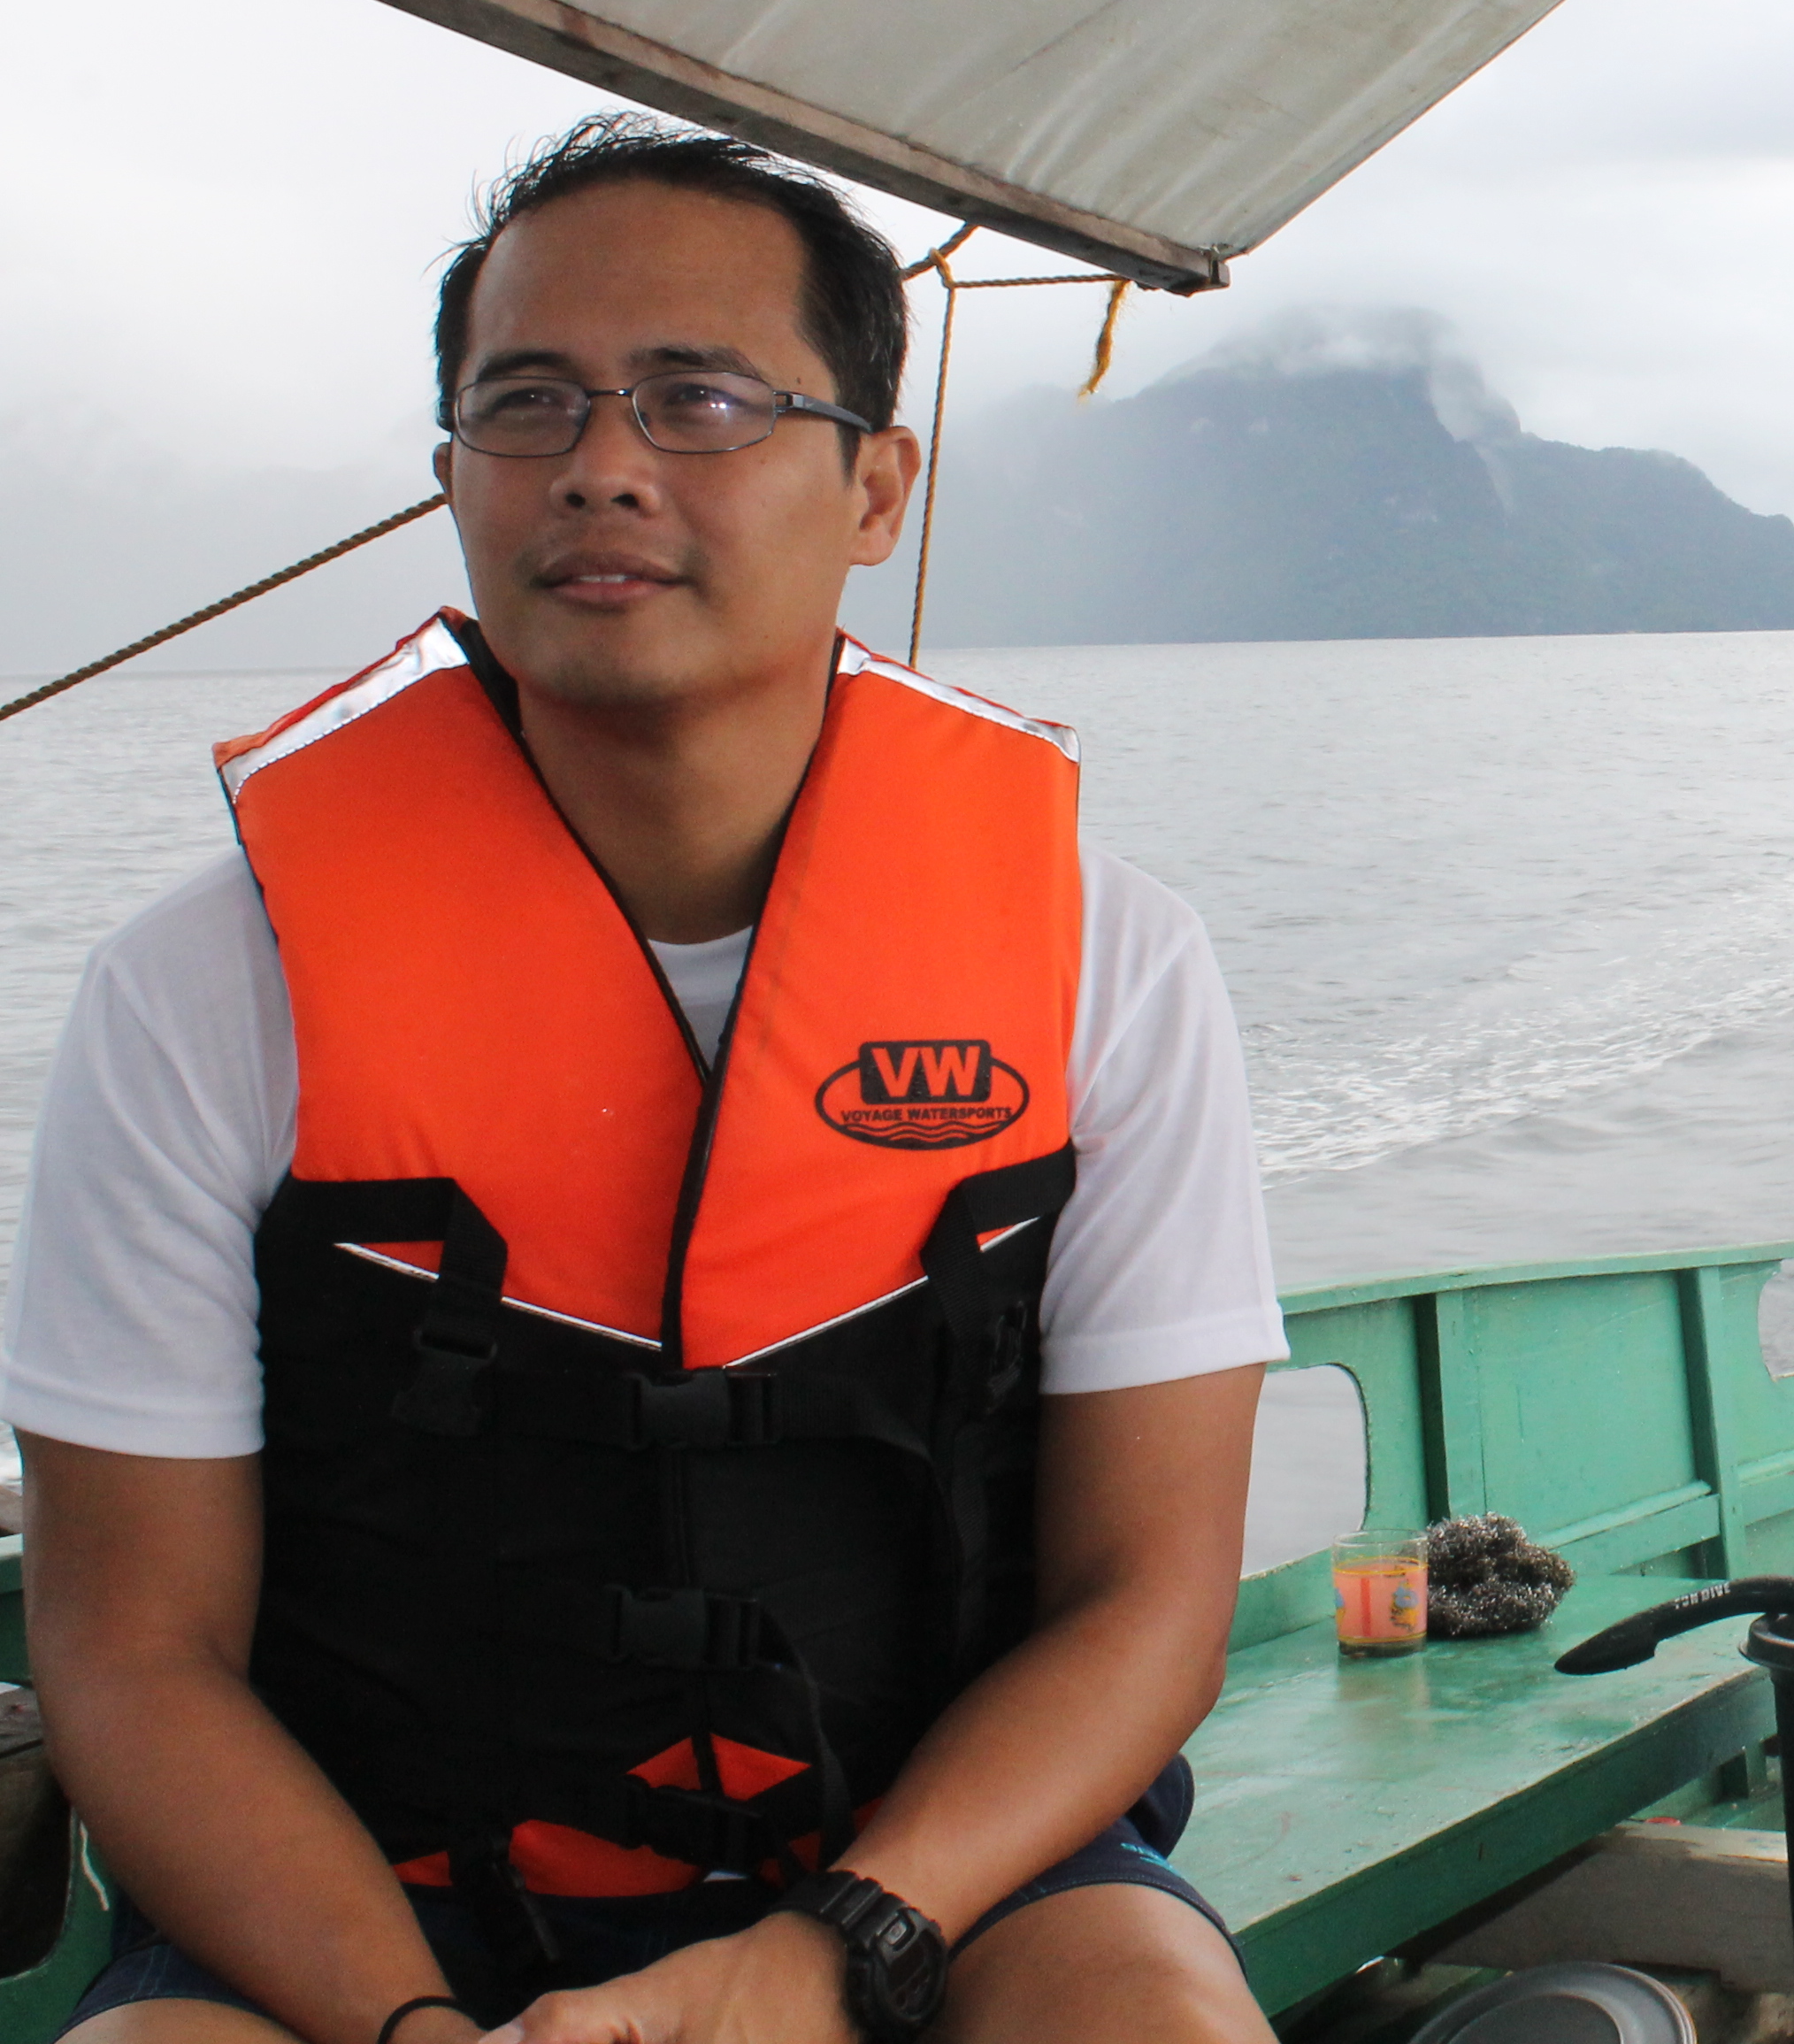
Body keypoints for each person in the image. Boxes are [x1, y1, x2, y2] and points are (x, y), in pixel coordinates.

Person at [3, 117, 1287, 2044]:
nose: (601, 463)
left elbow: (1147, 1597)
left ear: (876, 486)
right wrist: (416, 2029)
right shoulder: (203, 991)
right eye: (527, 403)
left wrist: (835, 1943)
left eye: (699, 397)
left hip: (938, 1884)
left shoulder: (1107, 964)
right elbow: (132, 1650)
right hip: (361, 1919)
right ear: (453, 476)